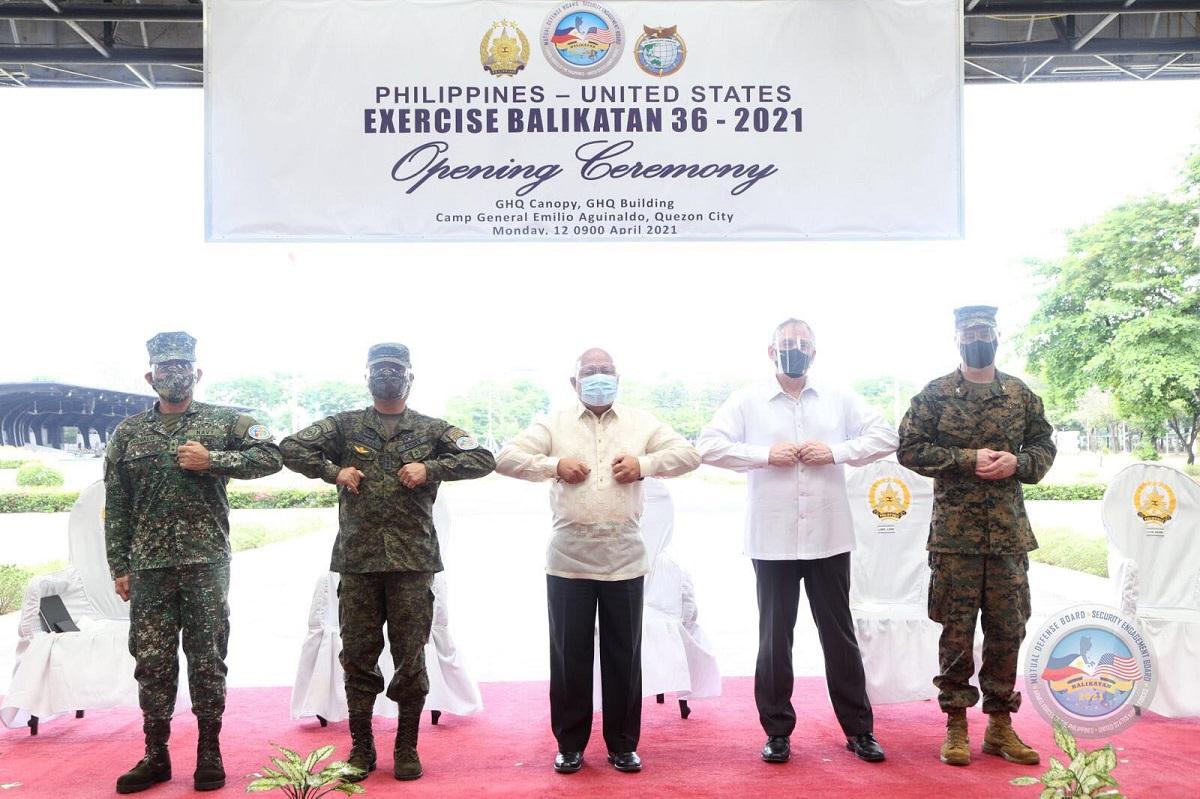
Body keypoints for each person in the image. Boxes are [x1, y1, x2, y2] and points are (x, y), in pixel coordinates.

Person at [279, 343, 494, 782]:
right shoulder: (345, 425)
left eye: (395, 370)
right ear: (367, 376)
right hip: (358, 562)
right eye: (379, 369)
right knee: (358, 656)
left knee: (410, 656)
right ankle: (362, 746)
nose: (387, 376)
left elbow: (482, 458)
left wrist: (430, 468)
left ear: (410, 377)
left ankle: (406, 745)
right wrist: (333, 471)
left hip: (412, 564)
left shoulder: (431, 429)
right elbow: (290, 447)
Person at [697, 318, 896, 765]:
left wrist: (837, 451)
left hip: (828, 536)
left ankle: (860, 731)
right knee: (773, 639)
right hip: (772, 540)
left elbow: (885, 436)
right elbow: (708, 446)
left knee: (839, 636)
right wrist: (763, 456)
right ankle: (777, 732)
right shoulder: (747, 399)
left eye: (802, 344)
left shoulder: (839, 397)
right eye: (787, 345)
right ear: (771, 352)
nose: (795, 351)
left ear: (814, 352)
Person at [495, 348, 700, 775]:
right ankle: (570, 744)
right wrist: (554, 465)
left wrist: (644, 464)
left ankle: (623, 745)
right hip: (568, 559)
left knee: (624, 656)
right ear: (574, 383)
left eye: (606, 371)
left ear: (618, 378)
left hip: (624, 558)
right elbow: (506, 458)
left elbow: (688, 455)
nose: (599, 377)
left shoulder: (641, 422)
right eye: (590, 372)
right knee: (569, 658)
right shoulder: (554, 423)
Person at [105, 331, 283, 794]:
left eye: (182, 366)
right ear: (151, 376)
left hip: (205, 562)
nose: (173, 374)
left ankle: (209, 750)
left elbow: (271, 455)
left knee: (207, 659)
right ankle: (156, 753)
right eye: (164, 368)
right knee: (152, 661)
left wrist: (214, 460)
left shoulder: (224, 422)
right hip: (148, 567)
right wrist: (118, 566)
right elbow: (117, 503)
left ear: (197, 373)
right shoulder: (128, 433)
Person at [897, 305, 1055, 768]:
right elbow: (909, 448)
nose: (977, 338)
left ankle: (1001, 727)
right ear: (957, 339)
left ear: (998, 335)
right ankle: (956, 725)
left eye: (984, 331)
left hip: (1008, 536)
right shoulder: (936, 395)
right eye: (969, 332)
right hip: (955, 538)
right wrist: (967, 458)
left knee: (1008, 630)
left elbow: (1044, 444)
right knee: (957, 631)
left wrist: (1019, 463)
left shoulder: (1020, 395)